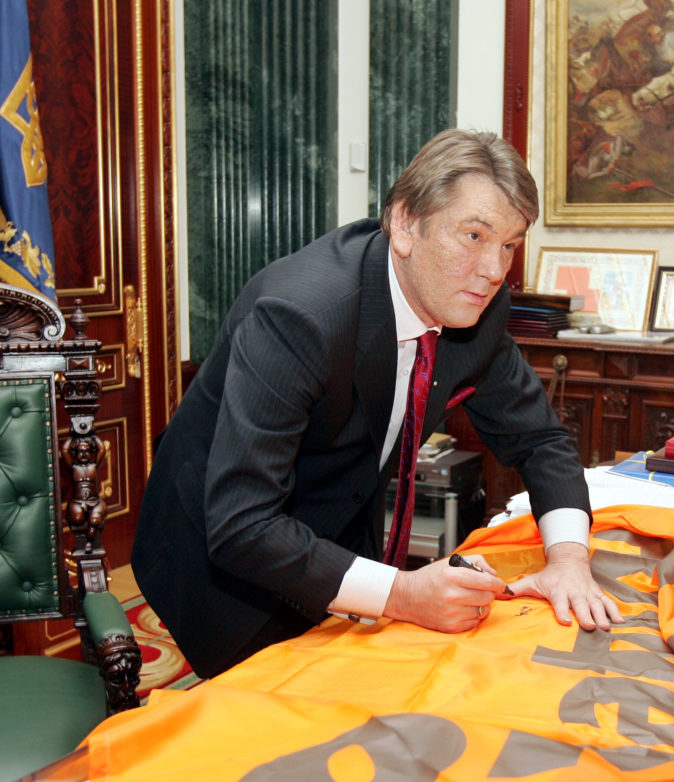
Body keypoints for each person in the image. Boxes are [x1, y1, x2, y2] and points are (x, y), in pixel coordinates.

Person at [131, 129, 624, 679]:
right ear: (405, 224)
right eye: (474, 235)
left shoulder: (475, 305)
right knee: (260, 709)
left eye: (509, 245)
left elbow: (541, 439)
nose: (494, 271)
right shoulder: (299, 316)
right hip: (222, 558)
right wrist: (403, 593)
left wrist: (568, 560)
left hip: (338, 517)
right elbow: (242, 524)